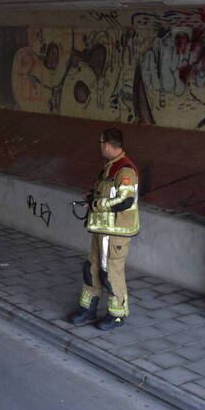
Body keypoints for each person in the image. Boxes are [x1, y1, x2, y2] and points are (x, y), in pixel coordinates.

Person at [69, 128, 140, 330]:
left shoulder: (124, 169)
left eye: (101, 143)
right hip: (102, 230)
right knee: (91, 269)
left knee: (111, 272)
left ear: (107, 144)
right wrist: (92, 198)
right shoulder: (110, 167)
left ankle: (117, 314)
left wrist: (96, 205)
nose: (100, 147)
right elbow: (107, 194)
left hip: (116, 233)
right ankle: (88, 308)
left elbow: (125, 201)